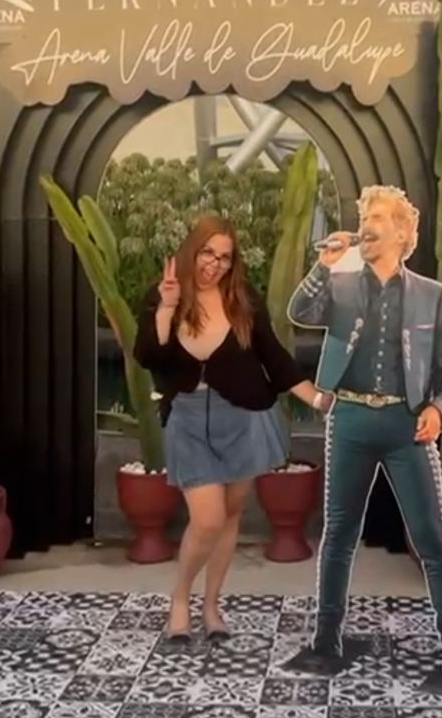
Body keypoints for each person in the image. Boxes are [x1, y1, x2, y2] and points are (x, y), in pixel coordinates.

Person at [287, 184, 442, 683]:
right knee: (338, 535)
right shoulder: (341, 284)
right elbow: (299, 313)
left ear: (401, 231)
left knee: (433, 541)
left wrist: (438, 410)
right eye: (363, 217)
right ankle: (325, 640)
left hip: (405, 426)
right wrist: (323, 266)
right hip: (349, 419)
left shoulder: (433, 296)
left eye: (376, 217)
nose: (365, 225)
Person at [134, 214, 333, 643]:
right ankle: (181, 599)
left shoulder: (243, 298)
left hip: (243, 417)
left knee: (229, 516)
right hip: (188, 418)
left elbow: (274, 357)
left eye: (224, 257)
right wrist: (166, 307)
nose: (215, 264)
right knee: (206, 519)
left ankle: (211, 606)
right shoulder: (164, 292)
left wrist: (319, 400)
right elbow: (148, 356)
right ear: (193, 249)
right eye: (208, 252)